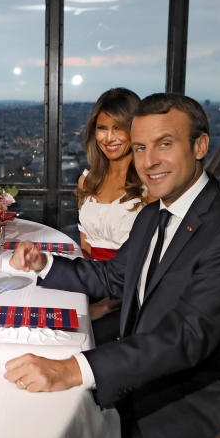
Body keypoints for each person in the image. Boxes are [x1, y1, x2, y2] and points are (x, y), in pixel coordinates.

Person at [6, 93, 220, 438]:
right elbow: (113, 278)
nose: (149, 161)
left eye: (165, 144)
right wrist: (45, 264)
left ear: (200, 146)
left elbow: (186, 337)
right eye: (142, 147)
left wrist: (74, 369)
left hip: (196, 403)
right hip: (145, 379)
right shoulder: (153, 214)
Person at [76, 88, 144, 334]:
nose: (109, 138)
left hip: (128, 300)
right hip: (91, 290)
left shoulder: (149, 188)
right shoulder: (87, 181)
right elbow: (85, 249)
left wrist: (105, 306)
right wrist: (85, 300)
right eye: (102, 128)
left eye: (118, 128)